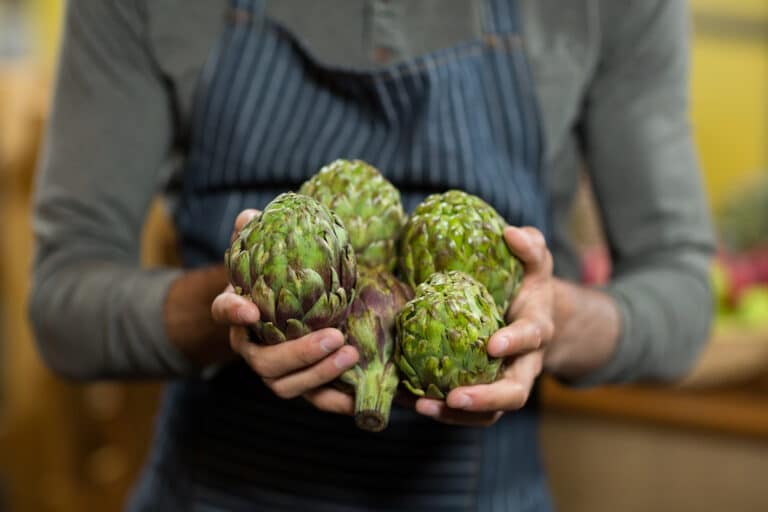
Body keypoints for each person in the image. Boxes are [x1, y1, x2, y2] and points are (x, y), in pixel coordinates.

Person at [29, 1, 715, 510]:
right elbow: (63, 306)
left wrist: (549, 320)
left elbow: (681, 296)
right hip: (216, 490)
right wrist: (241, 309)